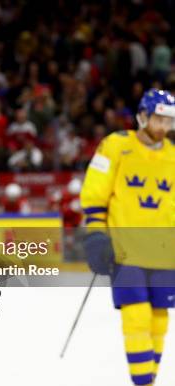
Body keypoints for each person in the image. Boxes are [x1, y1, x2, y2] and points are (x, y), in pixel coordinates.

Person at [81, 88, 175, 386]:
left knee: (159, 320)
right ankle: (143, 383)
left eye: (169, 121)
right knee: (136, 317)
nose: (164, 127)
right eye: (159, 119)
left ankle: (149, 380)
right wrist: (96, 236)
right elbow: (95, 193)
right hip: (125, 250)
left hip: (164, 251)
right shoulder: (115, 145)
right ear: (143, 117)